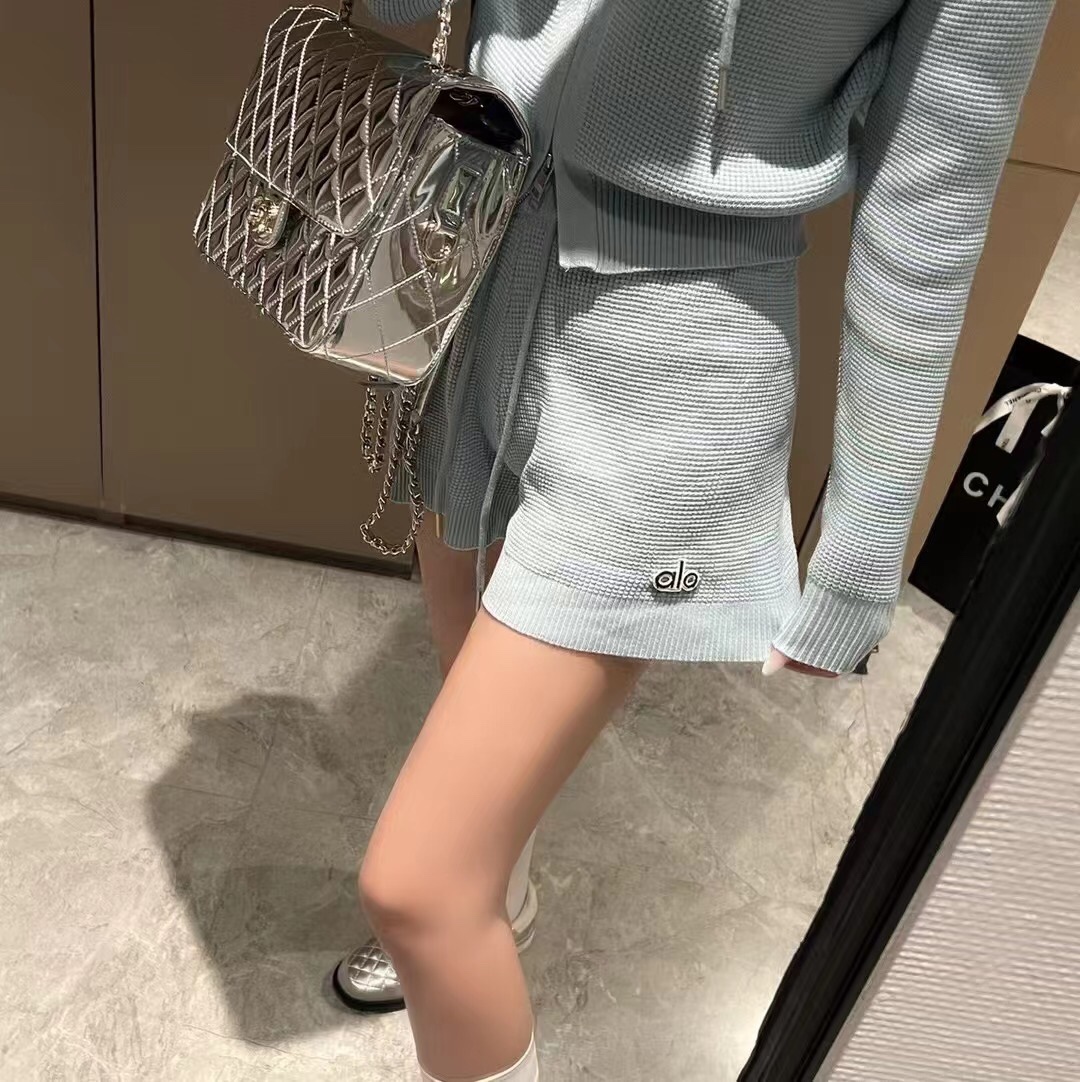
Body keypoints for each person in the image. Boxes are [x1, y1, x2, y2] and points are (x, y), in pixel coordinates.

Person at [333, 1, 1054, 1078]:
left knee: (418, 888)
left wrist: (859, 557)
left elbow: (929, 207)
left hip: (679, 361)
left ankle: (467, 901)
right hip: (474, 252)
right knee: (463, 670)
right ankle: (501, 890)